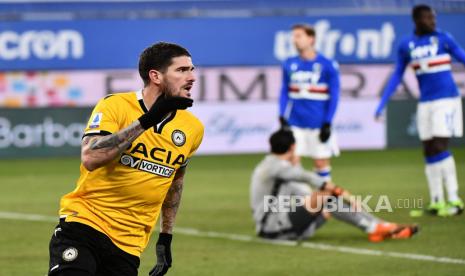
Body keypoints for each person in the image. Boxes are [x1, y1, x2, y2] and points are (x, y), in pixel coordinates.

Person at [47, 42, 204, 276]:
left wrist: (165, 237)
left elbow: (175, 181)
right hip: (85, 225)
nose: (192, 77)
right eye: (182, 70)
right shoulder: (116, 105)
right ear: (156, 76)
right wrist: (148, 120)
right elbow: (91, 157)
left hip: (129, 245)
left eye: (192, 69)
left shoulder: (192, 128)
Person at [374, 4, 465, 216]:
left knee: (441, 146)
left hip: (446, 100)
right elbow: (397, 74)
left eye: (433, 18)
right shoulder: (407, 45)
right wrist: (382, 103)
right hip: (425, 102)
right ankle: (436, 201)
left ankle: (454, 200)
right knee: (428, 149)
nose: (433, 21)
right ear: (416, 20)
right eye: (428, 18)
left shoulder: (444, 39)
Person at [250, 129, 418, 242]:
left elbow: (305, 193)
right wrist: (345, 195)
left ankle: (381, 227)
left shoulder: (275, 167)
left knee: (328, 204)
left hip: (278, 225)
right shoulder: (276, 168)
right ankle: (375, 227)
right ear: (293, 147)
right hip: (272, 228)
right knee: (326, 198)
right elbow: (310, 178)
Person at [278, 23, 340, 182]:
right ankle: (299, 204)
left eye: (298, 36)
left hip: (318, 123)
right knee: (292, 161)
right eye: (293, 36)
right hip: (295, 123)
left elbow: (334, 95)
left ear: (311, 38)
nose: (294, 40)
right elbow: (285, 91)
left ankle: (325, 204)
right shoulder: (289, 63)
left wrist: (327, 122)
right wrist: (282, 115)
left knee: (321, 164)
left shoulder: (327, 64)